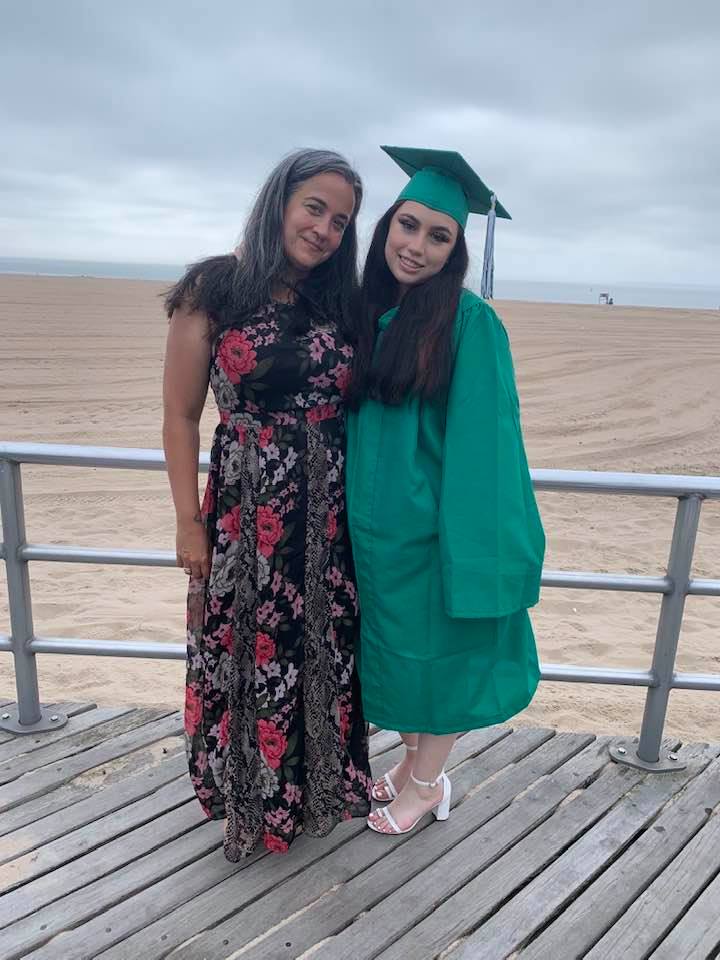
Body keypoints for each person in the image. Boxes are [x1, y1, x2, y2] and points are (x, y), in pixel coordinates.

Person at [162, 149, 372, 860]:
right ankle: (248, 803)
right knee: (248, 650)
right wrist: (189, 523)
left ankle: (313, 798)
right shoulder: (215, 288)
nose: (324, 230)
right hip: (246, 509)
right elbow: (181, 417)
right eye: (315, 207)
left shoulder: (340, 302)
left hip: (330, 514)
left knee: (321, 649)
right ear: (279, 200)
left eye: (341, 221)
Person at [345, 146, 545, 835]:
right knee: (397, 663)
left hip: (432, 538)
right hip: (373, 541)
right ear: (385, 227)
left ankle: (428, 784)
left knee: (444, 662)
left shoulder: (469, 324)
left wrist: (480, 552)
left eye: (440, 236)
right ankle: (406, 769)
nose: (418, 246)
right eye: (409, 225)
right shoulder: (369, 312)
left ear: (457, 249)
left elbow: (487, 450)